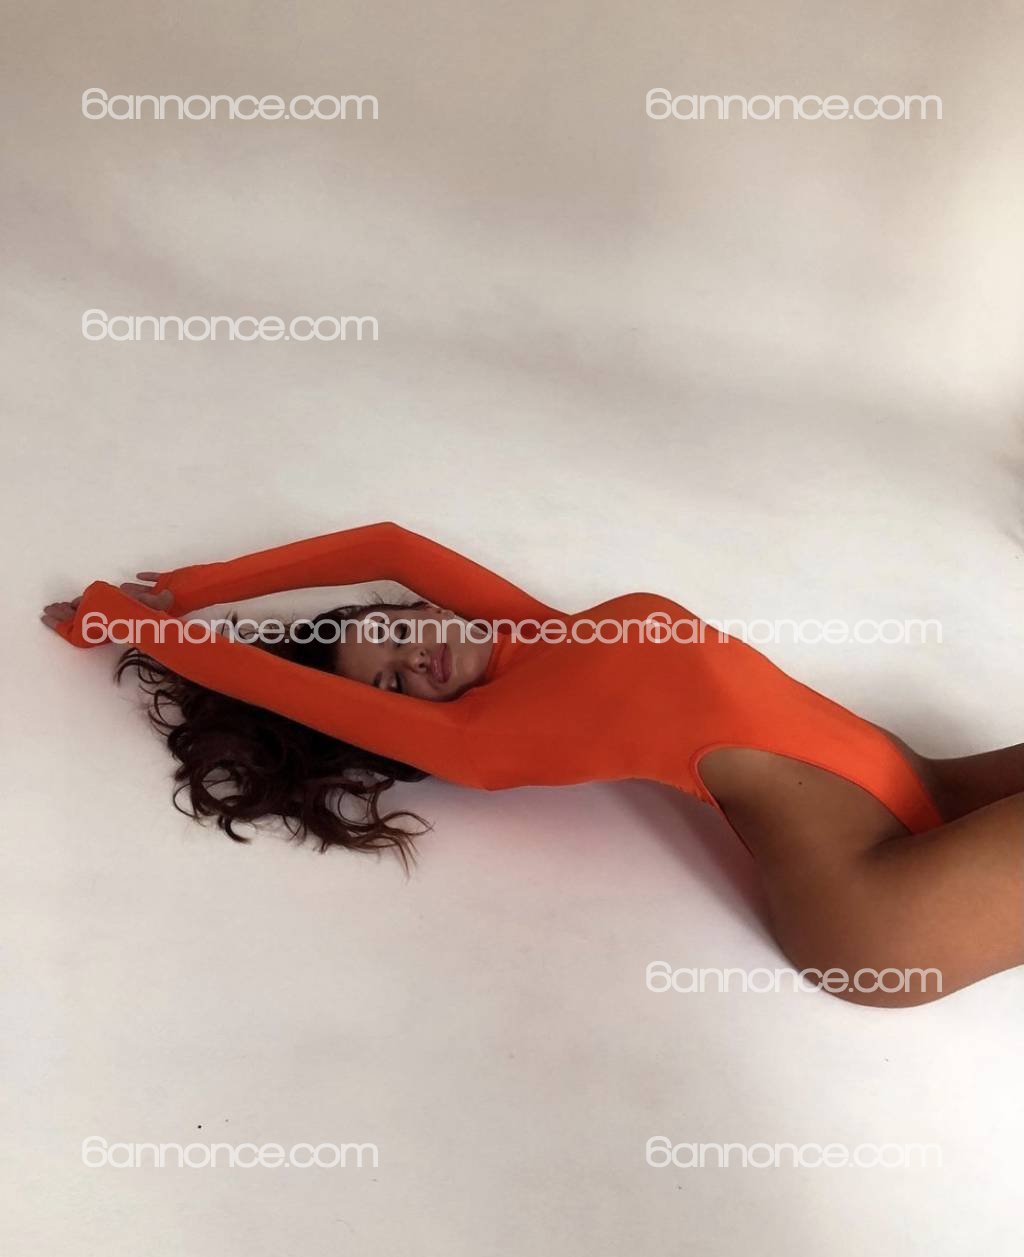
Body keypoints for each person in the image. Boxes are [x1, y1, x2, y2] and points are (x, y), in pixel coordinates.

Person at [41, 521, 1023, 1007]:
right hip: (874, 904)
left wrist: (196, 584)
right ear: (397, 723)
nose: (415, 660)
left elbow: (388, 542)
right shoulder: (483, 739)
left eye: (395, 634)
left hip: (925, 790)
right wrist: (124, 623)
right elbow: (267, 683)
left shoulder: (537, 633)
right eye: (392, 687)